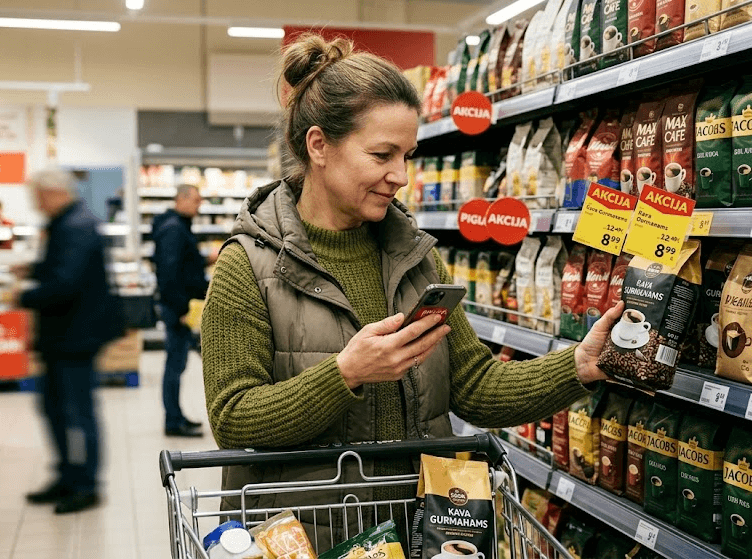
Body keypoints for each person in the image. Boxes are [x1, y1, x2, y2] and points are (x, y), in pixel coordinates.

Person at [200, 34, 621, 543]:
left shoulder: (415, 258)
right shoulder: (247, 265)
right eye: (381, 154)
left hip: (417, 529)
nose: (400, 175)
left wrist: (580, 363)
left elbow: (475, 386)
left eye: (407, 155)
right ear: (319, 146)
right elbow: (233, 417)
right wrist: (346, 373)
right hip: (306, 538)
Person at [19, 168, 122, 514]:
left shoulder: (75, 225)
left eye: (37, 196)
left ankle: (86, 485)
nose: (35, 204)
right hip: (64, 336)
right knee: (54, 408)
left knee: (77, 412)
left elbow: (65, 283)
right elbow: (61, 269)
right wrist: (33, 272)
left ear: (52, 193)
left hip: (75, 336)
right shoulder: (68, 222)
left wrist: (23, 296)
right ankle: (66, 476)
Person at [152, 184, 215, 437]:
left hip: (181, 305)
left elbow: (183, 266)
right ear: (181, 199)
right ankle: (173, 421)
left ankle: (176, 417)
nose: (199, 206)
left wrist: (205, 260)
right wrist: (179, 308)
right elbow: (168, 273)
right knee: (175, 364)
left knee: (177, 363)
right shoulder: (173, 229)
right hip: (177, 307)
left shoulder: (178, 226)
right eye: (196, 201)